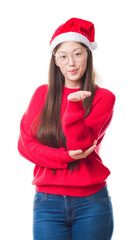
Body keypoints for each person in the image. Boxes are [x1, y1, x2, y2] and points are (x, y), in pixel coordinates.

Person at [18, 17, 116, 240]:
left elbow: (80, 146)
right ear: (56, 62)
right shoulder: (42, 94)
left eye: (77, 54)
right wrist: (66, 157)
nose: (71, 62)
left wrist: (74, 105)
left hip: (91, 202)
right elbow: (26, 146)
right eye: (63, 56)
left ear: (88, 56)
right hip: (47, 202)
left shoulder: (104, 98)